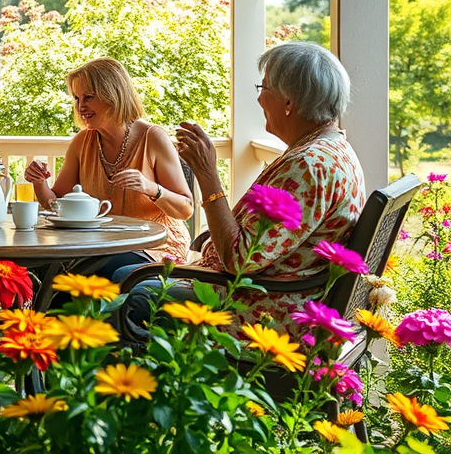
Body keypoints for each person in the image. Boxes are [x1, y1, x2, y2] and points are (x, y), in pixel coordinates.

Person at [129, 42, 367, 334]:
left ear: (289, 102)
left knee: (132, 291)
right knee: (125, 273)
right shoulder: (331, 149)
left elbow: (238, 260)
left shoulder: (309, 166)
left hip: (261, 313)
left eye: (264, 89)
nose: (259, 100)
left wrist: (206, 174)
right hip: (272, 293)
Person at [24, 58, 193, 280]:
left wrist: (151, 188)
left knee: (92, 272)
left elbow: (185, 209)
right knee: (42, 269)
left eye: (88, 97)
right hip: (101, 246)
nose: (80, 106)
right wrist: (39, 182)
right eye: (77, 98)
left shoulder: (152, 138)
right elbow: (55, 203)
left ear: (112, 94)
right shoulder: (82, 142)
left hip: (155, 246)